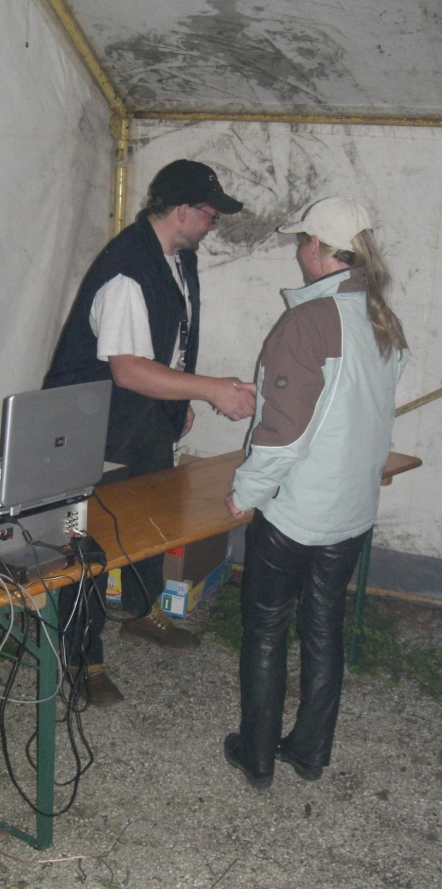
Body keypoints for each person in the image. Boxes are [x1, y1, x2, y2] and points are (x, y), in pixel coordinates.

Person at [43, 160, 255, 706]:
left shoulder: (179, 258)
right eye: (209, 214)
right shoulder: (127, 270)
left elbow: (173, 340)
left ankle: (142, 612)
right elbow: (129, 370)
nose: (212, 225)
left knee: (153, 521)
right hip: (93, 424)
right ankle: (82, 658)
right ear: (181, 210)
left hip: (142, 416)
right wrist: (210, 390)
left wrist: (178, 400)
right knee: (87, 542)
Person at [224, 197, 408, 789]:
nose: (299, 252)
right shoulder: (380, 317)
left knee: (267, 629)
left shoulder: (309, 321)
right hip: (351, 510)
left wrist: (246, 492)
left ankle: (256, 756)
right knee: (324, 628)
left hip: (298, 511)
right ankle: (309, 752)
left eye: (302, 241)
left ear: (316, 248)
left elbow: (283, 433)